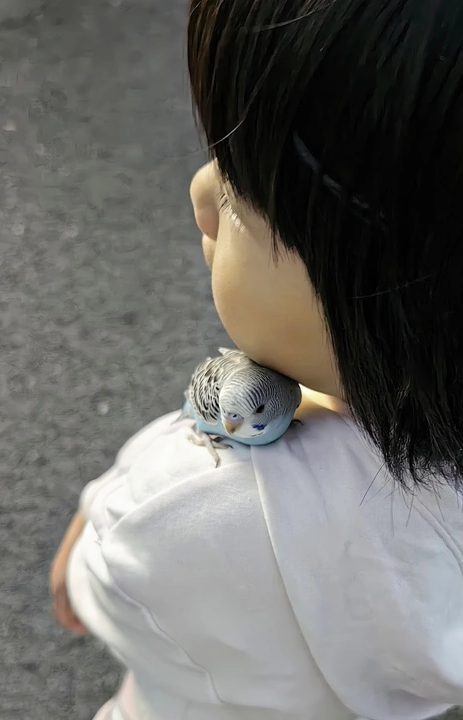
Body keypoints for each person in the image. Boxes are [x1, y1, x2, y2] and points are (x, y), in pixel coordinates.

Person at [50, 0, 463, 718]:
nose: (200, 192)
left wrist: (89, 538)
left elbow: (89, 586)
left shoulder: (193, 496)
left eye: (244, 194)